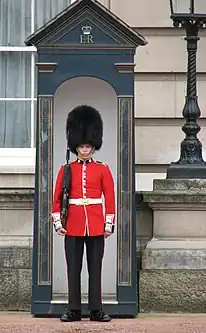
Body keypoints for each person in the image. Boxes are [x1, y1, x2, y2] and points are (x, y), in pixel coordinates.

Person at [51, 105, 116, 322]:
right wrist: (58, 222)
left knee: (95, 268)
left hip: (96, 223)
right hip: (73, 224)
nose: (85, 150)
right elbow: (57, 198)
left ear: (93, 146)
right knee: (74, 269)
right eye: (82, 146)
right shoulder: (66, 169)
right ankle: (74, 309)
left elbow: (110, 197)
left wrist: (108, 223)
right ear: (75, 146)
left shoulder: (103, 169)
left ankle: (96, 309)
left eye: (88, 146)